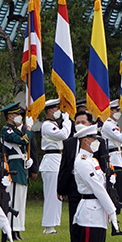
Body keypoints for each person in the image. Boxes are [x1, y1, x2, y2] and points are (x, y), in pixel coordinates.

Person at [70, 123, 119, 242]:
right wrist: (112, 211)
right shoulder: (82, 161)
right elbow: (97, 189)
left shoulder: (92, 160)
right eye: (93, 138)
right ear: (85, 140)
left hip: (98, 210)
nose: (96, 142)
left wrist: (109, 179)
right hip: (90, 210)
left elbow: (101, 183)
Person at [0, 103, 31, 240]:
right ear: (10, 116)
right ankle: (11, 228)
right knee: (13, 200)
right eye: (18, 115)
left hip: (21, 166)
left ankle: (17, 229)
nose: (20, 117)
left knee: (20, 200)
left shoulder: (16, 130)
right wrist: (28, 129)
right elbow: (23, 140)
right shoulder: (7, 130)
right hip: (13, 167)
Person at [39, 99, 70, 234]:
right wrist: (67, 120)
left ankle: (53, 223)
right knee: (52, 194)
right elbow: (64, 135)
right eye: (57, 109)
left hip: (57, 159)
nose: (59, 111)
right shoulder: (47, 125)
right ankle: (48, 225)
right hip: (51, 160)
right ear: (50, 111)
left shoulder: (54, 124)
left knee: (58, 195)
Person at [101, 100, 122, 201]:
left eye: (119, 110)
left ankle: (117, 211)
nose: (118, 112)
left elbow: (120, 142)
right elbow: (121, 138)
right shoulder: (108, 125)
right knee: (115, 189)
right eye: (116, 110)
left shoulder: (115, 125)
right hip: (113, 160)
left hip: (119, 159)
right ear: (110, 111)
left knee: (120, 189)